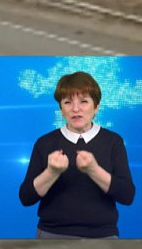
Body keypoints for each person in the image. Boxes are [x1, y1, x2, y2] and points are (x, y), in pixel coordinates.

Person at [18, 71, 135, 238]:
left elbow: (127, 195)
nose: (75, 109)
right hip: (51, 233)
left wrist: (94, 170)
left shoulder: (113, 141)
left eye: (84, 101)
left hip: (102, 235)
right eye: (67, 102)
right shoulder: (44, 143)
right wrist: (51, 172)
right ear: (61, 109)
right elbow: (26, 197)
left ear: (96, 107)